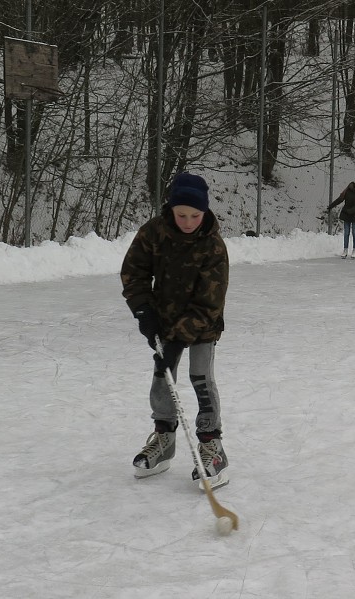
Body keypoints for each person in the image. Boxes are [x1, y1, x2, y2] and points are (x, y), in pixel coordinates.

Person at [121, 172, 231, 489]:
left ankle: (212, 445)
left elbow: (211, 300)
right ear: (170, 209)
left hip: (203, 323)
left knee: (200, 376)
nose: (187, 221)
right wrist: (144, 311)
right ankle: (164, 438)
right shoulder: (153, 233)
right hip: (163, 319)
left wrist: (178, 336)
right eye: (180, 214)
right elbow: (134, 272)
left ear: (204, 212)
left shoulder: (213, 245)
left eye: (194, 215)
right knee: (162, 375)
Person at [328, 180, 355, 259]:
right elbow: (340, 199)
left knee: (354, 233)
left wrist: (349, 211)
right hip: (346, 215)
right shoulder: (348, 191)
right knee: (346, 233)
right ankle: (345, 250)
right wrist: (331, 205)